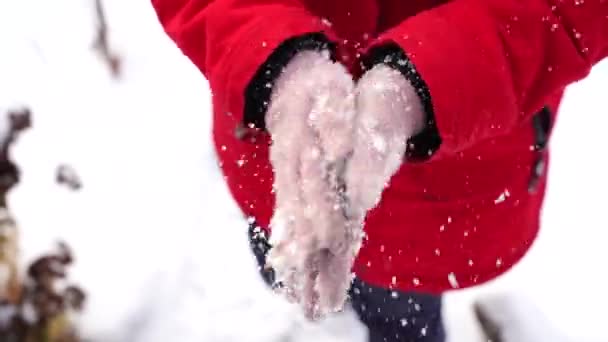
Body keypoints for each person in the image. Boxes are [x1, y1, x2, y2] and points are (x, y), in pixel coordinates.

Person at [150, 0, 608, 341]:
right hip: (273, 146)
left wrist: (436, 76)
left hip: (446, 189)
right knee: (279, 254)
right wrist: (266, 51)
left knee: (402, 315)